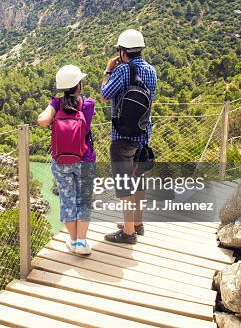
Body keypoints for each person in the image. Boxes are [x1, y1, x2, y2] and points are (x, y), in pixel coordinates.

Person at [101, 29, 157, 244]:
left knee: (124, 183)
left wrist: (108, 70)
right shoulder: (151, 71)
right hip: (143, 134)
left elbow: (105, 94)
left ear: (123, 52)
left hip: (121, 136)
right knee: (139, 178)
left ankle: (127, 232)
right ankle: (137, 223)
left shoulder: (122, 70)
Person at [38, 65, 96, 255]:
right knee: (84, 200)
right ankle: (82, 241)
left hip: (61, 161)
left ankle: (72, 241)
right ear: (79, 84)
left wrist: (54, 109)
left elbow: (42, 121)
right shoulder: (88, 104)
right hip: (85, 158)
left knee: (67, 200)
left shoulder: (56, 103)